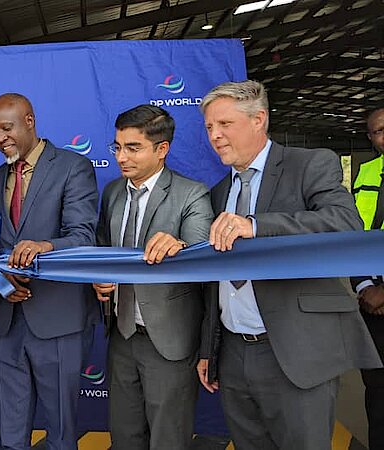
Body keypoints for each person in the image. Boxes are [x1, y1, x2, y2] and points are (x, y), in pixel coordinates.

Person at [197, 80, 381, 449]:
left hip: (297, 351)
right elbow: (213, 278)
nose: (215, 135)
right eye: (209, 127)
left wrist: (257, 226)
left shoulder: (310, 164)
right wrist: (208, 349)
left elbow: (345, 223)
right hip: (233, 353)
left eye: (225, 124)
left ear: (259, 120)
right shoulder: (218, 192)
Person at [0, 93, 99, 450]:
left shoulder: (73, 167)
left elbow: (83, 236)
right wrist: (0, 279)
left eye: (7, 128)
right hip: (5, 320)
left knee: (61, 432)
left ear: (29, 121)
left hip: (57, 319)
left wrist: (45, 246)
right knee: (9, 433)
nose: (1, 138)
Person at [93, 105, 212, 449]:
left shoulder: (192, 193)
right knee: (124, 436)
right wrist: (98, 280)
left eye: (133, 148)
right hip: (121, 336)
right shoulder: (113, 193)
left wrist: (181, 245)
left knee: (168, 438)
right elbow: (102, 250)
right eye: (117, 147)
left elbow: (203, 256)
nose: (121, 157)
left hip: (168, 340)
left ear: (162, 149)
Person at [350, 107, 384, 449]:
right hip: (371, 301)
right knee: (376, 391)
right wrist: (365, 286)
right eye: (377, 131)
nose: (382, 135)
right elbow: (353, 233)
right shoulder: (367, 172)